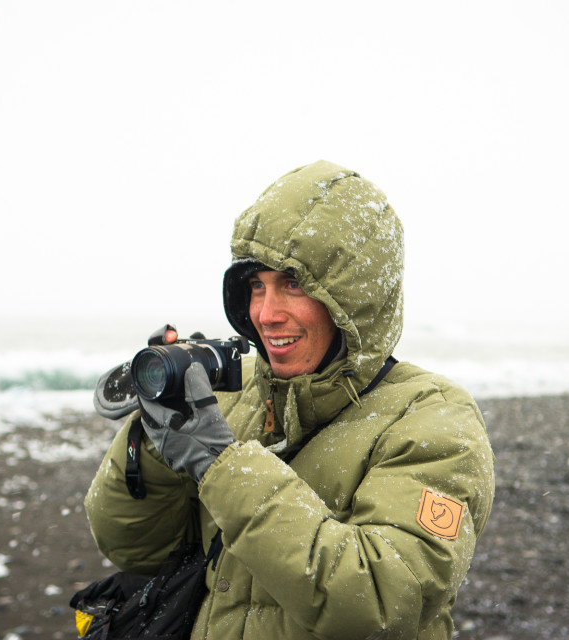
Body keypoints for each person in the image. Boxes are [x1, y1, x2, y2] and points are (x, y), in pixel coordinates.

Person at [85, 160, 495, 639]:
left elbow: (383, 601)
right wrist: (160, 437)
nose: (265, 313)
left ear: (354, 298)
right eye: (256, 286)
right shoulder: (236, 394)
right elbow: (134, 548)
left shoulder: (434, 419)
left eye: (293, 285)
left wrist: (223, 465)